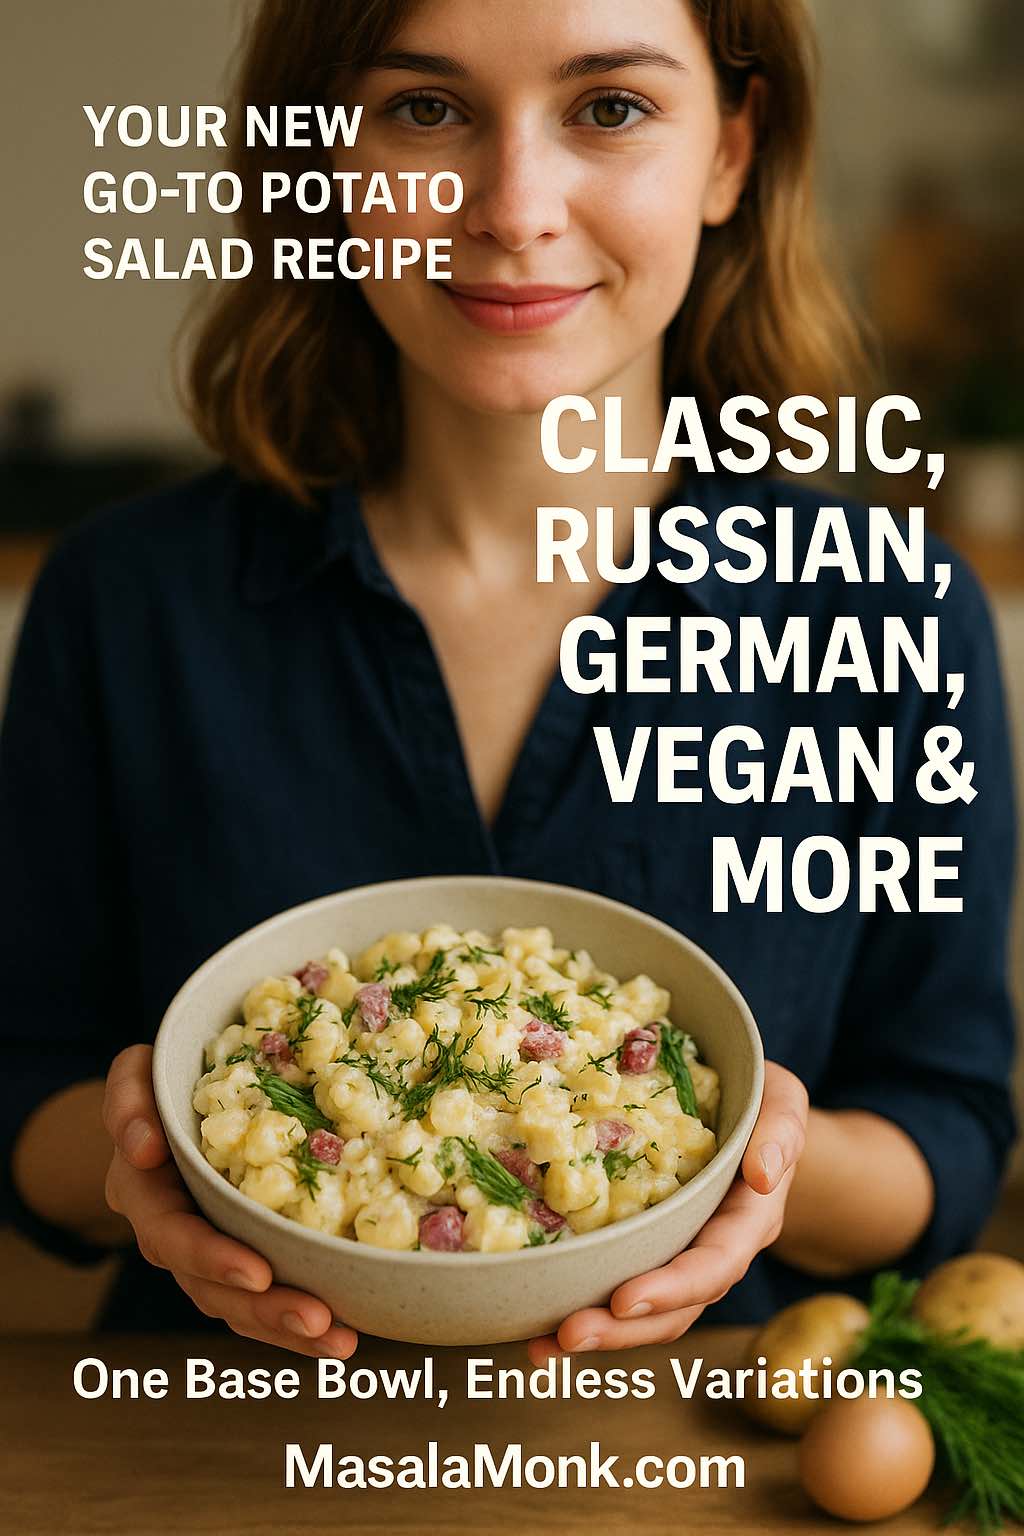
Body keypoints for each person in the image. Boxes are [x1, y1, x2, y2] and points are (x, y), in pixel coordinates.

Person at [1, 0, 1015, 1366]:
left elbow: (944, 1122)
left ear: (730, 152)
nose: (512, 208)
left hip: (705, 1459)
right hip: (220, 1456)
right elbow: (25, 1086)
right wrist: (139, 1158)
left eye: (609, 109)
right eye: (425, 109)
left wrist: (754, 1167)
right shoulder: (126, 603)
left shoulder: (895, 614)